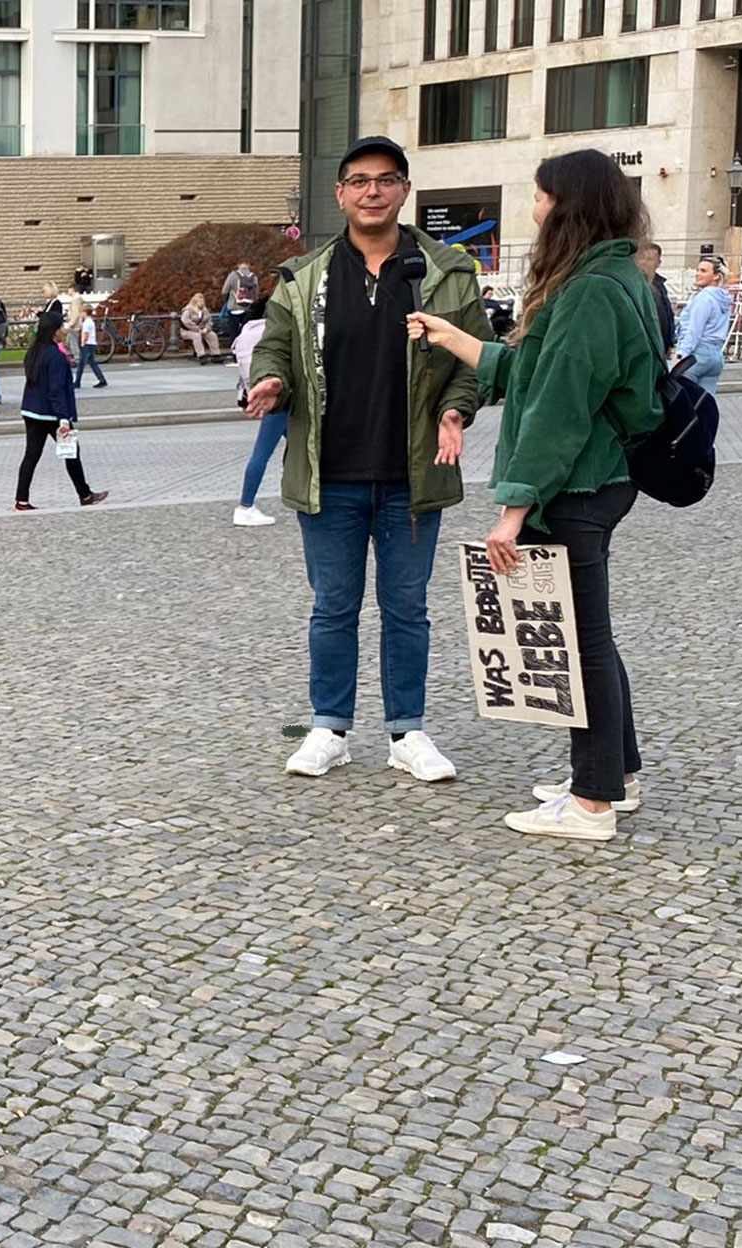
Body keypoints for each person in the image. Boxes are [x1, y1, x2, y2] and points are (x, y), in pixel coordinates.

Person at [408, 148, 665, 841]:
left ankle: (591, 803)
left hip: (578, 485)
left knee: (582, 645)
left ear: (569, 207)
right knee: (594, 640)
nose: (534, 208)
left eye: (541, 197)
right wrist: (453, 336)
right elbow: (531, 370)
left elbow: (558, 407)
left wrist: (512, 511)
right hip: (597, 480)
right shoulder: (614, 274)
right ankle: (617, 776)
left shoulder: (588, 290)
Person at [244, 135, 487, 784]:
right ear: (340, 193)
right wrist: (272, 381)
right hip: (331, 476)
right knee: (333, 608)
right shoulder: (304, 277)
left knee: (407, 609)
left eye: (385, 180)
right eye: (359, 181)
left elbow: (475, 360)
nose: (372, 191)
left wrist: (457, 410)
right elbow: (275, 348)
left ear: (405, 189)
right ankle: (330, 727)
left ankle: (408, 731)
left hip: (414, 477)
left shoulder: (445, 272)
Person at [15, 307, 108, 511]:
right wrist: (64, 419)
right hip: (50, 413)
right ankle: (84, 494)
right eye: (62, 326)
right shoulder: (55, 356)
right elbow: (56, 390)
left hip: (31, 410)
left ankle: (21, 499)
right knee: (71, 451)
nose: (65, 329)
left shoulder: (33, 352)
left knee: (31, 455)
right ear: (54, 331)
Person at [229, 296, 282, 527]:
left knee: (307, 447)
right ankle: (245, 506)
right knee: (262, 453)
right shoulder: (270, 333)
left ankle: (316, 494)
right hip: (277, 397)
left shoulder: (245, 333)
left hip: (257, 394)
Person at [671, 257, 732, 395]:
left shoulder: (703, 298)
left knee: (684, 403)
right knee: (705, 405)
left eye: (703, 271)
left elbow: (694, 331)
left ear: (716, 276)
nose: (698, 274)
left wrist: (680, 356)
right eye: (697, 270)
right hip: (716, 355)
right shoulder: (724, 298)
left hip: (697, 354)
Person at [635, 242, 676, 348]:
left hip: (661, 346)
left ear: (658, 263)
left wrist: (670, 341)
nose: (644, 263)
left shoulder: (661, 287)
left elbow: (668, 315)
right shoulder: (635, 286)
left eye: (650, 259)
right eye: (642, 258)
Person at [178, 292, 225, 363]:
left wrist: (207, 328)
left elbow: (209, 321)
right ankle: (201, 355)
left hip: (203, 329)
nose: (202, 303)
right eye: (200, 302)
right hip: (188, 331)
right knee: (196, 336)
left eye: (203, 302)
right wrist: (197, 329)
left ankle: (216, 354)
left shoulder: (205, 311)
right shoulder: (188, 310)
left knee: (212, 335)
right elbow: (185, 321)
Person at [75, 304, 109, 388]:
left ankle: (77, 382)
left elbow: (85, 334)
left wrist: (83, 342)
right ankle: (102, 380)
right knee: (92, 363)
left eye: (81, 312)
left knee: (81, 364)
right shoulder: (90, 321)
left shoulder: (86, 323)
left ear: (85, 313)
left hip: (87, 344)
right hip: (91, 344)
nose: (80, 314)